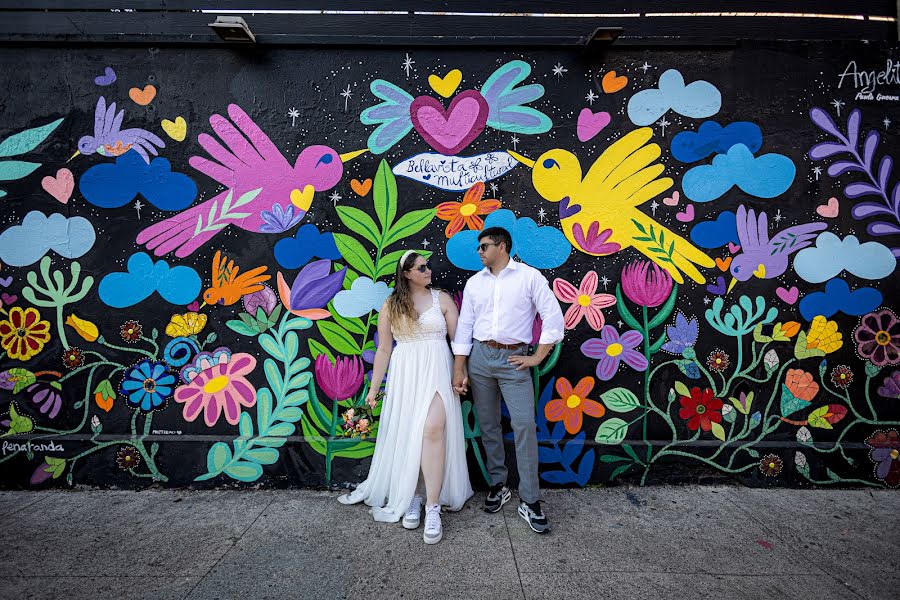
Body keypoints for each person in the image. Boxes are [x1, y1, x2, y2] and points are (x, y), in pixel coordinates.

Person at [338, 250, 473, 544]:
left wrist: (462, 373)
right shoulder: (391, 305)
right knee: (410, 434)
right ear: (407, 274)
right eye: (422, 267)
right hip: (405, 376)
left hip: (437, 370)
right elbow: (384, 350)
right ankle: (413, 495)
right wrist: (373, 390)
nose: (428, 270)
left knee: (433, 428)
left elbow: (459, 341)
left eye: (428, 266)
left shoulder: (443, 299)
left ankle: (433, 506)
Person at [451, 227, 564, 533]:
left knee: (524, 424)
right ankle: (498, 484)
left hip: (515, 359)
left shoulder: (529, 277)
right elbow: (465, 326)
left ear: (502, 247)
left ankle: (530, 500)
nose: (479, 251)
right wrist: (459, 367)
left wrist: (537, 357)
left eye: (484, 246)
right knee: (488, 424)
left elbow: (553, 317)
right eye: (478, 247)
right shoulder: (475, 283)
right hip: (480, 358)